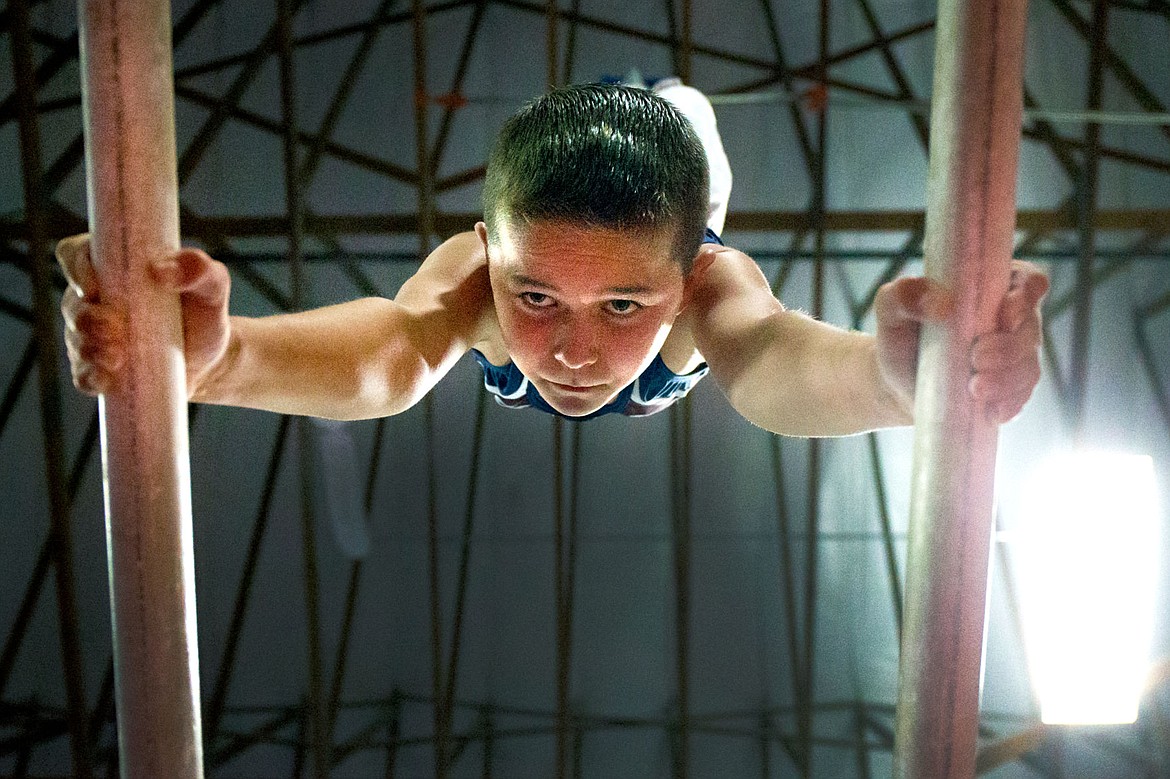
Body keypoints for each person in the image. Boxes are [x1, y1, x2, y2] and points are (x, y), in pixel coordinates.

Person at [57, 82, 1047, 435]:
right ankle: (657, 112)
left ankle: (673, 108)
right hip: (586, 198)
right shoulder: (469, 275)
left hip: (684, 175)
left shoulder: (715, 283)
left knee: (685, 125)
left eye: (624, 307)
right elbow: (394, 356)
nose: (571, 349)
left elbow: (771, 361)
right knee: (653, 139)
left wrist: (896, 382)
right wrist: (221, 360)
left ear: (688, 277)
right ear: (487, 257)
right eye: (534, 294)